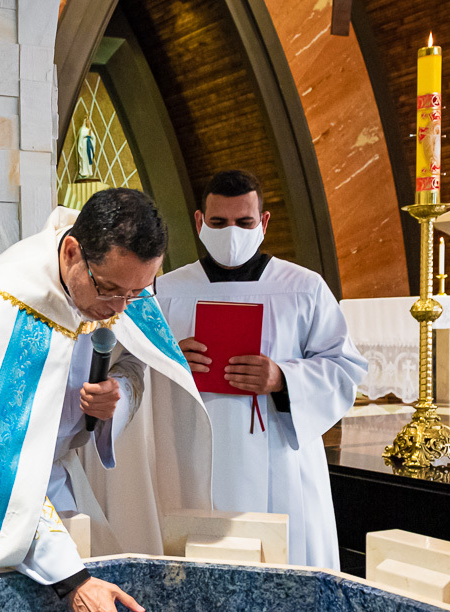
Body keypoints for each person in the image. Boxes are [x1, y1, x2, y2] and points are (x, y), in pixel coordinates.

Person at [0, 189, 211, 612]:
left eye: (138, 293)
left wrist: (118, 397)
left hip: (56, 482)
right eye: (110, 291)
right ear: (72, 254)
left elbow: (134, 363)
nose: (121, 308)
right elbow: (0, 474)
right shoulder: (5, 312)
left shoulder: (117, 279)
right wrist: (75, 582)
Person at [156, 170, 367, 570]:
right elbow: (135, 371)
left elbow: (344, 368)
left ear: (264, 223)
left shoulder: (304, 288)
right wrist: (169, 359)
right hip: (193, 453)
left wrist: (283, 378)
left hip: (279, 457)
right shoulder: (166, 291)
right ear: (199, 222)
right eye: (219, 223)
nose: (231, 232)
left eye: (244, 222)